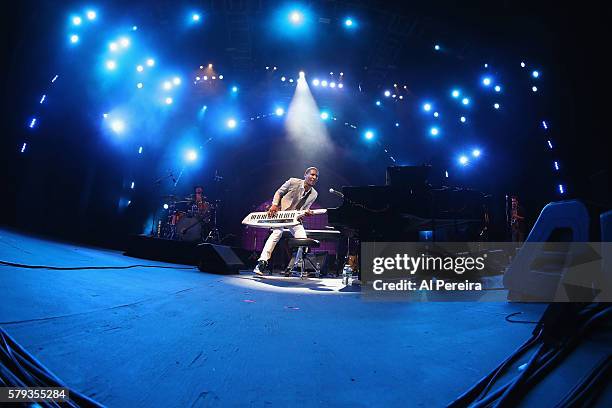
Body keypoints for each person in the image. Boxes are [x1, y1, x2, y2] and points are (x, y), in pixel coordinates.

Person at [254, 167, 319, 275]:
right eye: (312, 174)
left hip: (293, 217)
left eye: (316, 176)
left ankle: (295, 265)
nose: (314, 177)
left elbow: (305, 208)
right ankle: (261, 263)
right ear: (305, 175)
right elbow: (279, 192)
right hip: (281, 213)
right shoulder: (293, 181)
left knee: (303, 238)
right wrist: (274, 205)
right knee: (277, 233)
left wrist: (304, 213)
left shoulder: (314, 194)